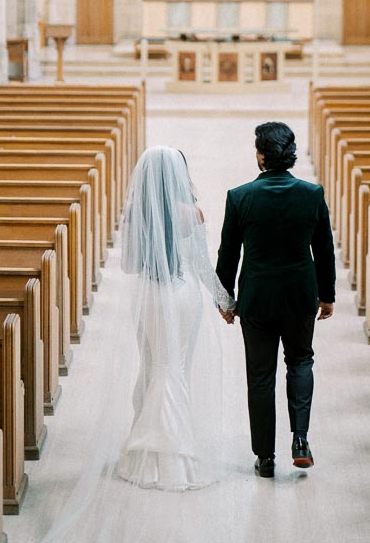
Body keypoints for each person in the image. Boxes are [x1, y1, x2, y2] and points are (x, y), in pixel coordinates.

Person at [215, 121, 335, 478]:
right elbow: (324, 251)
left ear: (261, 155)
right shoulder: (312, 194)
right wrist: (326, 295)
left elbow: (228, 255)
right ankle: (300, 440)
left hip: (257, 298)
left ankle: (265, 456)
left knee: (261, 376)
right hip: (300, 296)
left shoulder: (240, 197)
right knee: (300, 362)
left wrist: (226, 300)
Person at [118, 145, 235, 490]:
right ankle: (173, 456)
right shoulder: (192, 213)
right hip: (183, 297)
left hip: (149, 297)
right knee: (175, 367)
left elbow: (128, 266)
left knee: (153, 366)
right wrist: (225, 300)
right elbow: (200, 265)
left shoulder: (134, 213)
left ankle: (145, 452)